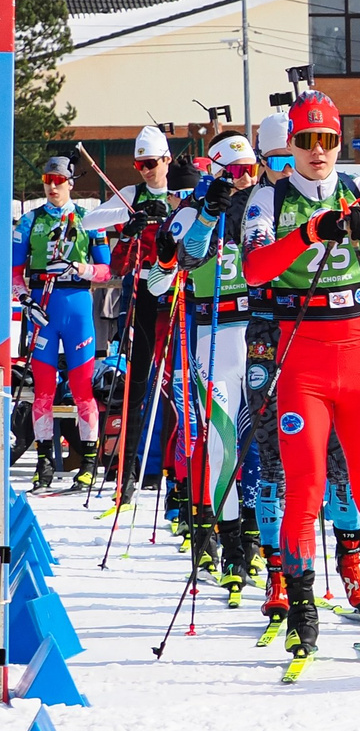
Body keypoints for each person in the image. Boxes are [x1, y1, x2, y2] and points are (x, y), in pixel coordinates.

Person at [240, 92, 360, 662]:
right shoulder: (267, 197)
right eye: (308, 140)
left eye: (329, 140)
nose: (319, 151)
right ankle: (303, 612)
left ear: (340, 142)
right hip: (302, 351)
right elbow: (256, 267)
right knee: (306, 485)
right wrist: (311, 233)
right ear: (290, 143)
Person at [157, 132, 261, 599]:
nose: (246, 180)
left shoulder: (265, 206)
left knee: (256, 443)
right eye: (236, 172)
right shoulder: (191, 209)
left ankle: (259, 542)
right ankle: (224, 543)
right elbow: (162, 281)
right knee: (218, 445)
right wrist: (202, 215)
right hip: (211, 333)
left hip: (257, 332)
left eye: (251, 170)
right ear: (217, 171)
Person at [84, 127, 180, 497]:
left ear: (166, 160)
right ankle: (129, 471)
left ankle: (175, 475)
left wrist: (170, 211)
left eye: (151, 163)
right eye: (139, 164)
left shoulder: (182, 193)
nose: (145, 170)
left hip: (176, 293)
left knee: (176, 384)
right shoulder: (131, 194)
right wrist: (129, 226)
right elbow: (92, 221)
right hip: (141, 292)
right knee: (137, 383)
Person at [14, 157, 110, 490]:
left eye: (59, 179)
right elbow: (14, 272)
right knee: (43, 390)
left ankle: (87, 462)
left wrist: (82, 269)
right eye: (47, 179)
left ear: (70, 181)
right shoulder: (30, 221)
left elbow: (106, 270)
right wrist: (26, 301)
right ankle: (44, 464)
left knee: (83, 388)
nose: (52, 186)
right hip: (43, 310)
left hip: (77, 308)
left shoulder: (89, 219)